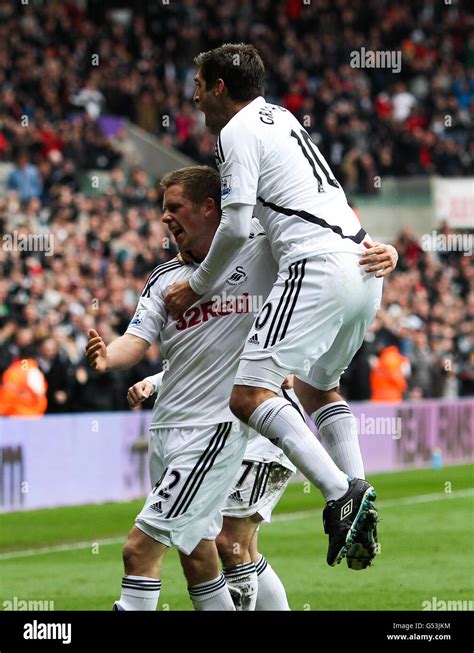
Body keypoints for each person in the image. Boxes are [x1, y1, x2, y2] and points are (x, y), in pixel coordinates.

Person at [85, 166, 397, 610]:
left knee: (183, 546)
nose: (164, 220)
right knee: (199, 552)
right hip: (169, 430)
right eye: (162, 211)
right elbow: (138, 342)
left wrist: (387, 252)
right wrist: (109, 358)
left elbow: (329, 244)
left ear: (209, 208)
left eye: (174, 208)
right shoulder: (162, 281)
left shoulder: (261, 250)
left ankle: (348, 491)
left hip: (229, 429)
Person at [165, 44, 394, 569]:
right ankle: (356, 489)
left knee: (248, 395)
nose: (194, 96)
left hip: (318, 267)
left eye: (199, 84)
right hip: (362, 262)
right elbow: (320, 199)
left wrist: (199, 284)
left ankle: (342, 495)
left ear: (220, 86)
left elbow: (238, 222)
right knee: (319, 388)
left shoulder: (236, 132)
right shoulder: (284, 120)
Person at [128, 370, 298, 611]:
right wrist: (152, 382)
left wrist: (291, 367)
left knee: (229, 542)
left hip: (262, 436)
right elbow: (203, 357)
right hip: (229, 434)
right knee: (242, 547)